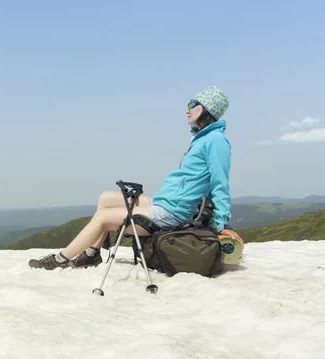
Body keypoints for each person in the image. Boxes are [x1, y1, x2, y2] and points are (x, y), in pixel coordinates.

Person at [28, 85, 243, 270]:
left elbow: (220, 183)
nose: (186, 109)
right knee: (105, 199)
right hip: (167, 202)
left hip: (172, 212)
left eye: (192, 104)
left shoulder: (216, 141)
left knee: (102, 218)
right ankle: (93, 255)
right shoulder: (203, 138)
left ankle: (60, 260)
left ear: (206, 109)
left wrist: (220, 222)